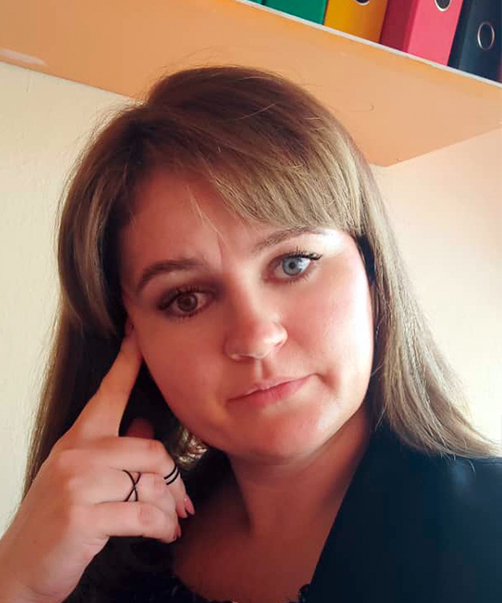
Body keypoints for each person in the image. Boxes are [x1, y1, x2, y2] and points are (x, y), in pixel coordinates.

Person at [0, 64, 500, 603]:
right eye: (187, 299)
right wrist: (19, 584)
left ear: (371, 268)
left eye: (293, 263)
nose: (256, 337)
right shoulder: (96, 551)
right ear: (130, 335)